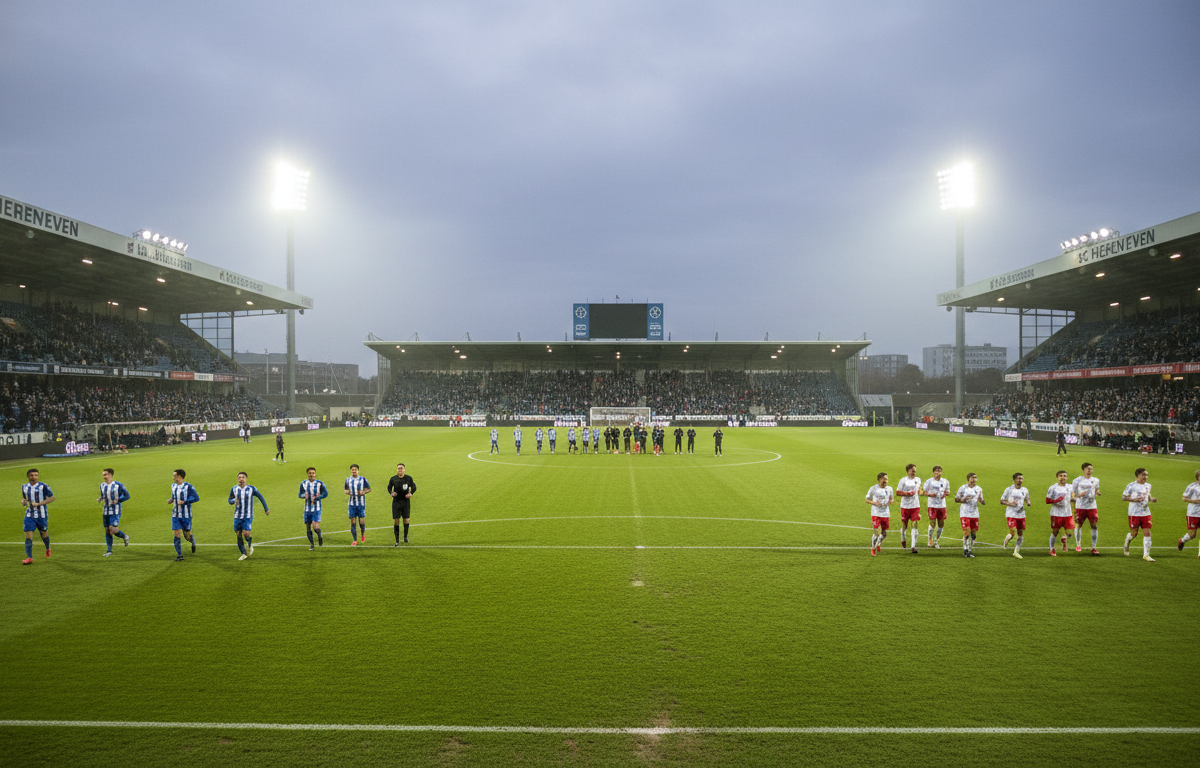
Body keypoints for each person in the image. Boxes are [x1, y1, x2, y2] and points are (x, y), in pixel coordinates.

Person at [228, 471, 269, 561]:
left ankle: (249, 546)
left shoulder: (251, 489)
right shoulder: (234, 489)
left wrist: (266, 508)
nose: (241, 479)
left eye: (243, 477)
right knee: (238, 535)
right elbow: (229, 500)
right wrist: (234, 500)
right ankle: (244, 553)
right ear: (237, 479)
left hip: (248, 516)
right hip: (237, 516)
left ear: (246, 479)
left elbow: (260, 497)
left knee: (246, 533)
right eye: (239, 477)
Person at [1122, 467, 1157, 561]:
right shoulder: (1131, 486)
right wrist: (1134, 499)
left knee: (1147, 532)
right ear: (1137, 475)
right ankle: (1126, 544)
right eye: (1143, 475)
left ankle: (1146, 555)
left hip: (1145, 512)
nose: (1145, 477)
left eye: (1146, 475)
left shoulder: (1148, 485)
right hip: (1134, 513)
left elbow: (1147, 495)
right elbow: (1124, 497)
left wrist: (1151, 499)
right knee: (1134, 533)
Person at [21, 468, 54, 564]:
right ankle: (29, 557)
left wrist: (39, 503)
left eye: (36, 475)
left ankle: (47, 547)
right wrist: (23, 501)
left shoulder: (43, 486)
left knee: (44, 534)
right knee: (28, 535)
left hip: (41, 515)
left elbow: (52, 498)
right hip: (29, 514)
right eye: (32, 475)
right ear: (28, 476)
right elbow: (25, 498)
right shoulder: (24, 487)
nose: (34, 477)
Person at [97, 468, 131, 556]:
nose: (104, 477)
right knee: (107, 530)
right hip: (106, 511)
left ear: (111, 475)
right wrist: (100, 498)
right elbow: (103, 495)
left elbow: (127, 496)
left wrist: (118, 500)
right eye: (103, 475)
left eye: (106, 474)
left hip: (116, 511)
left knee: (113, 530)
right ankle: (109, 551)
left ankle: (124, 536)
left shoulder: (118, 485)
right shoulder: (102, 485)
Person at [1071, 462, 1102, 555]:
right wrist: (1079, 495)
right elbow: (1072, 494)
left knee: (1094, 525)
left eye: (1091, 469)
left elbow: (1096, 489)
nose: (1090, 471)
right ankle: (1078, 545)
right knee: (1078, 525)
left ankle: (1094, 547)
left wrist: (1097, 492)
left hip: (1092, 507)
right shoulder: (1077, 481)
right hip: (1080, 506)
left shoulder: (1095, 480)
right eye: (1088, 469)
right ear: (1083, 470)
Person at [170, 469, 199, 561]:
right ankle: (180, 555)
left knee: (187, 534)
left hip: (186, 515)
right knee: (177, 533)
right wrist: (170, 500)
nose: (173, 478)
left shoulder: (188, 486)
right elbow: (173, 496)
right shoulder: (173, 486)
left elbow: (196, 498)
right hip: (175, 514)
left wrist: (184, 502)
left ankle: (192, 540)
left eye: (175, 476)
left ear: (180, 476)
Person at [1000, 472, 1031, 559]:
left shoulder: (1025, 490)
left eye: (1021, 478)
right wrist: (1010, 503)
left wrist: (1028, 502)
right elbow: (1002, 501)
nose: (1020, 480)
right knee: (1013, 532)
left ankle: (1016, 552)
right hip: (1011, 514)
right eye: (1018, 478)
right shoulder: (1009, 490)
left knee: (1020, 534)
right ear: (1014, 480)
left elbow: (1027, 499)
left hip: (1021, 515)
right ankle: (1006, 541)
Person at [955, 472, 985, 558]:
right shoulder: (963, 488)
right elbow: (956, 499)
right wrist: (963, 500)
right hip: (965, 513)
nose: (974, 479)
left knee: (973, 534)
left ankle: (969, 550)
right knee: (967, 532)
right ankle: (965, 549)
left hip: (975, 514)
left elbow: (982, 500)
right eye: (972, 477)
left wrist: (982, 501)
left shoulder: (979, 489)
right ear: (968, 479)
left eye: (975, 478)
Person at [1046, 470, 1075, 556]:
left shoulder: (1070, 487)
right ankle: (1052, 548)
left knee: (1070, 531)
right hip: (1056, 513)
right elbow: (1047, 500)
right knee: (1055, 531)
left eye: (1064, 476)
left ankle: (1064, 538)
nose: (1063, 477)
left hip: (1067, 513)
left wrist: (1074, 499)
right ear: (1057, 477)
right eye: (1061, 476)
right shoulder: (1053, 488)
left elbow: (1073, 496)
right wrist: (1057, 500)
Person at [388, 463, 417, 545]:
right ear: (397, 470)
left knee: (406, 520)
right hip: (396, 502)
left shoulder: (408, 478)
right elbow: (389, 487)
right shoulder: (393, 479)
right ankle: (397, 540)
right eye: (399, 468)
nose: (400, 470)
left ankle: (405, 537)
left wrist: (411, 493)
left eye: (401, 468)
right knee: (396, 521)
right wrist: (391, 493)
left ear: (404, 469)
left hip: (405, 502)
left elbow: (414, 487)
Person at [300, 467, 327, 551]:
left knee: (315, 526)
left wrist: (317, 498)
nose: (311, 475)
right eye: (309, 473)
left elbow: (325, 494)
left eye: (313, 473)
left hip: (316, 509)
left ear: (315, 474)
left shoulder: (319, 483)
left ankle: (319, 535)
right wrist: (304, 496)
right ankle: (312, 544)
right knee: (308, 527)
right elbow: (300, 494)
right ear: (307, 474)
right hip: (307, 510)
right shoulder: (303, 483)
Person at [922, 465, 950, 549]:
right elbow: (923, 492)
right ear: (933, 472)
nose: (938, 473)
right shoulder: (929, 482)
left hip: (942, 505)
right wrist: (930, 495)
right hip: (932, 505)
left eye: (940, 471)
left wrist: (945, 494)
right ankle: (930, 540)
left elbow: (948, 492)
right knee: (932, 523)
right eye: (937, 471)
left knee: (941, 524)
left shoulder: (945, 482)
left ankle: (936, 541)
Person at [896, 464, 922, 554]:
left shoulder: (918, 480)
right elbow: (898, 492)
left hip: (915, 505)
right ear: (908, 471)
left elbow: (918, 490)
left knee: (914, 524)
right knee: (905, 525)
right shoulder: (903, 480)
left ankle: (913, 546)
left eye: (915, 471)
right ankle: (902, 537)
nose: (914, 473)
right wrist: (907, 493)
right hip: (905, 506)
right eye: (912, 471)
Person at [865, 472, 893, 556]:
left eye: (887, 479)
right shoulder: (873, 489)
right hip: (876, 513)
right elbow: (867, 500)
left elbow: (891, 499)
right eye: (885, 479)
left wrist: (889, 502)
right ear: (880, 479)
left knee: (884, 534)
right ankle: (873, 548)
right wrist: (875, 503)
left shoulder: (889, 489)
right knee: (877, 532)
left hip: (885, 513)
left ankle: (879, 543)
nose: (886, 481)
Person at [345, 463, 371, 545]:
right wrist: (347, 492)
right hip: (351, 504)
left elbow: (369, 489)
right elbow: (345, 490)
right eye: (352, 470)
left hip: (361, 504)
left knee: (361, 522)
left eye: (355, 470)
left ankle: (362, 534)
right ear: (351, 471)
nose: (354, 471)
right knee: (353, 522)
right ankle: (354, 540)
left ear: (358, 470)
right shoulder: (348, 480)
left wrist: (363, 492)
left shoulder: (363, 479)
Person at [1176, 469, 1200, 556]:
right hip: (1193, 513)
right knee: (1192, 534)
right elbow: (1184, 498)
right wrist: (1196, 501)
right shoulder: (1192, 487)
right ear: (1198, 477)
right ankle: (1182, 540)